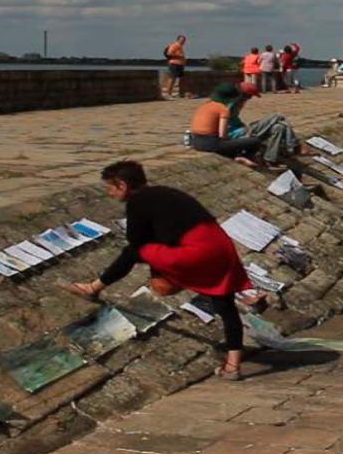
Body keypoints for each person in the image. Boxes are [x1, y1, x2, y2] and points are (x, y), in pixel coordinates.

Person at [69, 161, 255, 380]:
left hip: (194, 251)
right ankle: (233, 365)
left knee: (132, 252)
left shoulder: (137, 202)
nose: (110, 193)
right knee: (225, 306)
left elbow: (137, 241)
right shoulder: (167, 193)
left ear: (122, 185)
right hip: (220, 246)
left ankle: (93, 287)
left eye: (110, 187)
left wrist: (157, 272)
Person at [188, 83, 264, 167]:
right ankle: (246, 157)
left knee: (231, 144)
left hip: (196, 142)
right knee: (255, 141)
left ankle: (238, 156)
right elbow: (222, 135)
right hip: (211, 144)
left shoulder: (204, 105)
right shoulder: (223, 109)